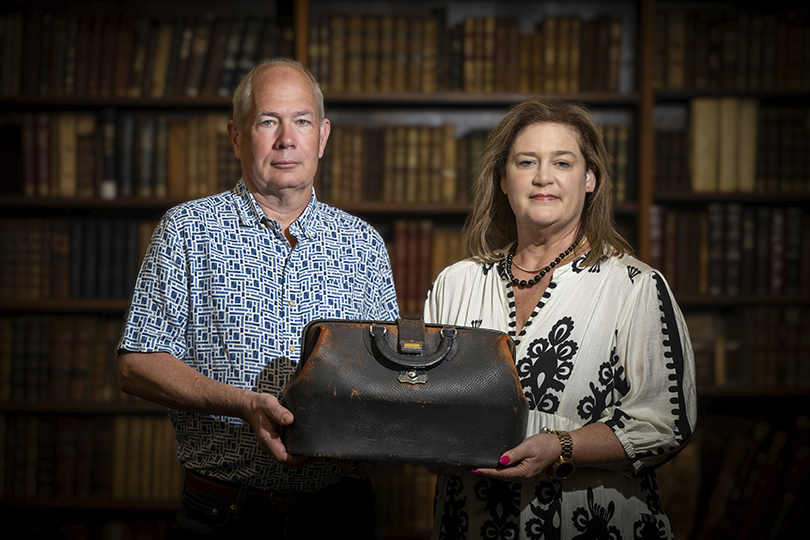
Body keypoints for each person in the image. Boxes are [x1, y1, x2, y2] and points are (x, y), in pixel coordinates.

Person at [117, 59, 399, 538]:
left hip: (340, 515)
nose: (287, 139)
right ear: (236, 136)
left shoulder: (363, 243)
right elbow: (136, 365)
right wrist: (241, 404)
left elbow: (386, 377)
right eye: (268, 121)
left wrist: (368, 444)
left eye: (302, 121)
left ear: (323, 136)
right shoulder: (187, 232)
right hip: (226, 514)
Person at [424, 97, 696, 539]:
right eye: (526, 161)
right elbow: (426, 408)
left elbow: (667, 422)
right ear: (503, 179)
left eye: (562, 163)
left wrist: (561, 447)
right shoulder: (456, 284)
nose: (543, 177)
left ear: (590, 180)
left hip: (593, 524)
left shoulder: (634, 287)